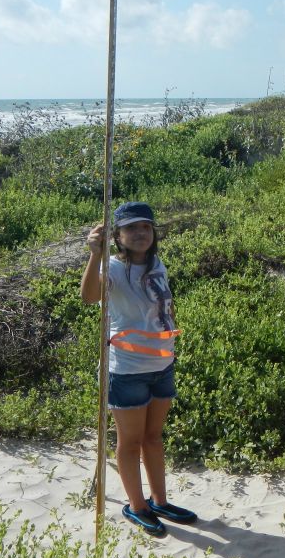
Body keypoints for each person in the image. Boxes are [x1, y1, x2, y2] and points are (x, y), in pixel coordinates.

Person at [80, 201, 197, 537]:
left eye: (145, 227)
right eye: (131, 228)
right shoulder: (114, 268)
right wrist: (93, 255)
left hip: (162, 363)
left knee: (153, 437)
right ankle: (137, 506)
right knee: (130, 442)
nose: (140, 233)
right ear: (117, 235)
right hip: (127, 369)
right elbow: (89, 297)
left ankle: (159, 500)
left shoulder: (157, 263)